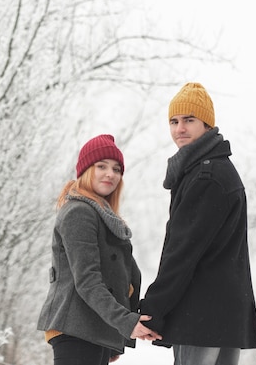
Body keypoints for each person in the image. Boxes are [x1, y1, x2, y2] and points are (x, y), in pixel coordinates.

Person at [139, 82, 256, 365]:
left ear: (207, 124)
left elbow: (183, 251)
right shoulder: (216, 169)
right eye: (174, 121)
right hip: (224, 315)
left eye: (189, 120)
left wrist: (153, 308)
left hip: (202, 316)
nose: (180, 128)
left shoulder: (205, 177)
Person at [37, 134, 161, 365]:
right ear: (86, 170)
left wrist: (115, 333)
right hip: (75, 329)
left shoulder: (106, 217)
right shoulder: (79, 213)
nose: (110, 174)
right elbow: (88, 281)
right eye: (101, 166)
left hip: (95, 329)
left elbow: (122, 280)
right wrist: (125, 322)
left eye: (116, 169)